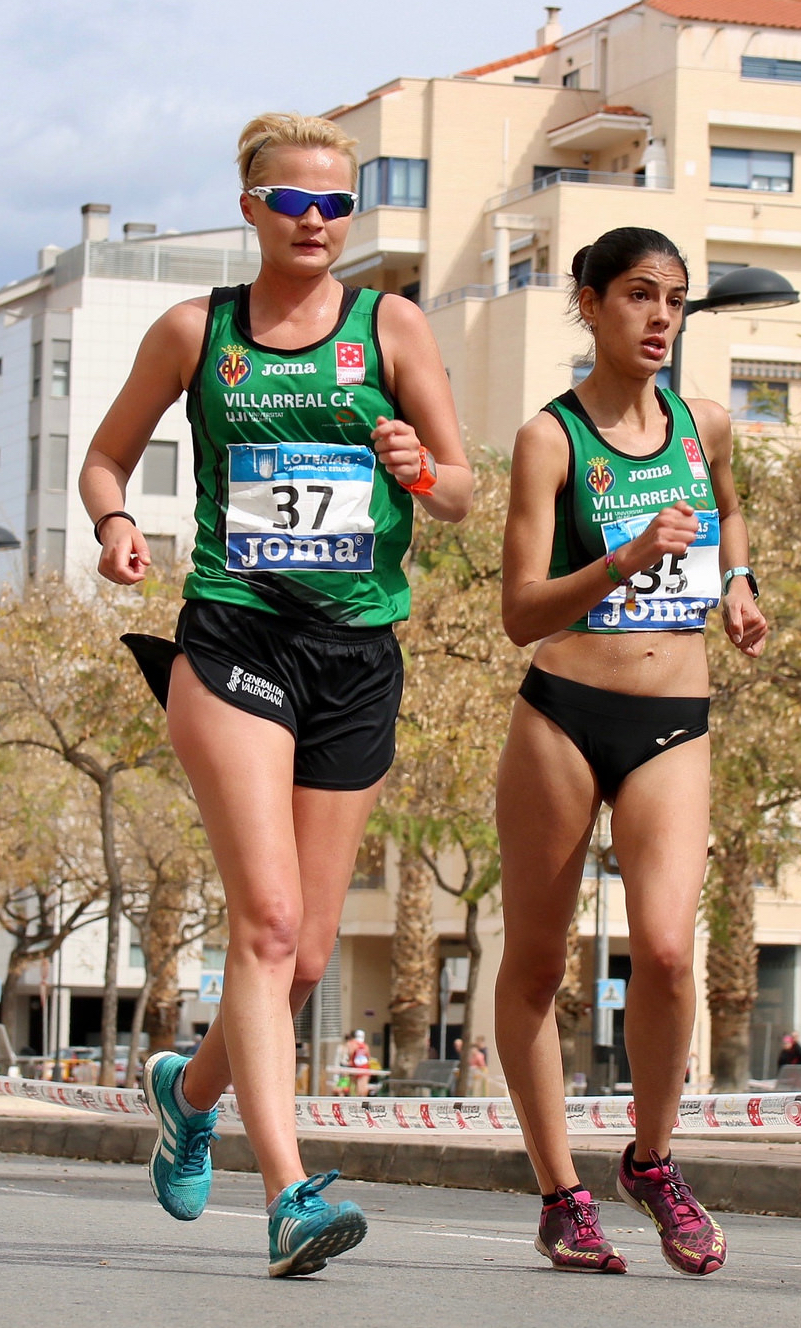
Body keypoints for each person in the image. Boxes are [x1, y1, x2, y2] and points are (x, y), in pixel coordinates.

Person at [79, 110, 472, 1279]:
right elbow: (107, 453)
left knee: (299, 962)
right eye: (291, 202)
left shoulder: (388, 323)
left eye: (335, 203)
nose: (314, 221)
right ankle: (290, 1193)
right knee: (269, 924)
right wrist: (112, 523)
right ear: (249, 208)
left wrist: (420, 468)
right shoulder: (194, 330)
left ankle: (185, 1090)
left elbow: (456, 490)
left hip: (358, 654)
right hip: (232, 635)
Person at [494, 227, 767, 1278]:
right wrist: (617, 557)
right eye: (639, 296)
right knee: (534, 963)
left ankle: (651, 1161)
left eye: (675, 301)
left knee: (661, 949)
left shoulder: (703, 424)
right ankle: (560, 1193)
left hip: (674, 717)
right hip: (563, 709)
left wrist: (738, 584)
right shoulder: (548, 439)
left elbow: (726, 513)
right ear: (588, 303)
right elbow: (519, 610)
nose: (659, 318)